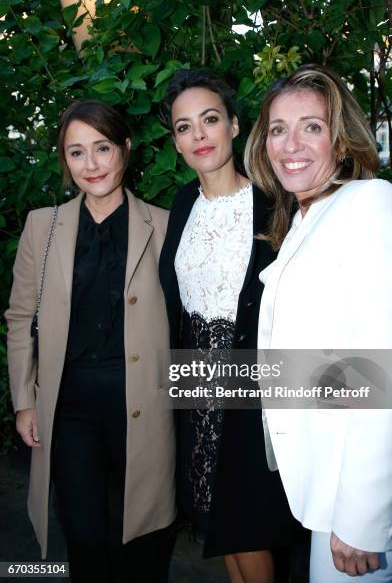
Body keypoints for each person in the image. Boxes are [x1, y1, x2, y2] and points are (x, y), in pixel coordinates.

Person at [244, 64, 392, 582]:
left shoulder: (370, 203)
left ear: (340, 141)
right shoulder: (308, 215)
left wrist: (362, 518)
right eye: (277, 129)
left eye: (311, 126)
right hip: (330, 484)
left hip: (360, 498)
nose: (291, 143)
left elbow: (387, 370)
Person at [5, 100, 176, 582]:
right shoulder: (43, 226)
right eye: (76, 153)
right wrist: (24, 399)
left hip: (142, 399)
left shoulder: (163, 225)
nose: (92, 164)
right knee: (83, 535)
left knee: (143, 535)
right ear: (65, 160)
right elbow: (20, 316)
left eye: (102, 148)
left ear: (126, 147)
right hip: (70, 405)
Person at [159, 69, 308, 583]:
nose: (198, 135)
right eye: (184, 127)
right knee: (215, 522)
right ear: (175, 141)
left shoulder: (274, 204)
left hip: (251, 386)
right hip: (195, 380)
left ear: (234, 125)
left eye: (209, 120)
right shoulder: (181, 205)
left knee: (250, 525)